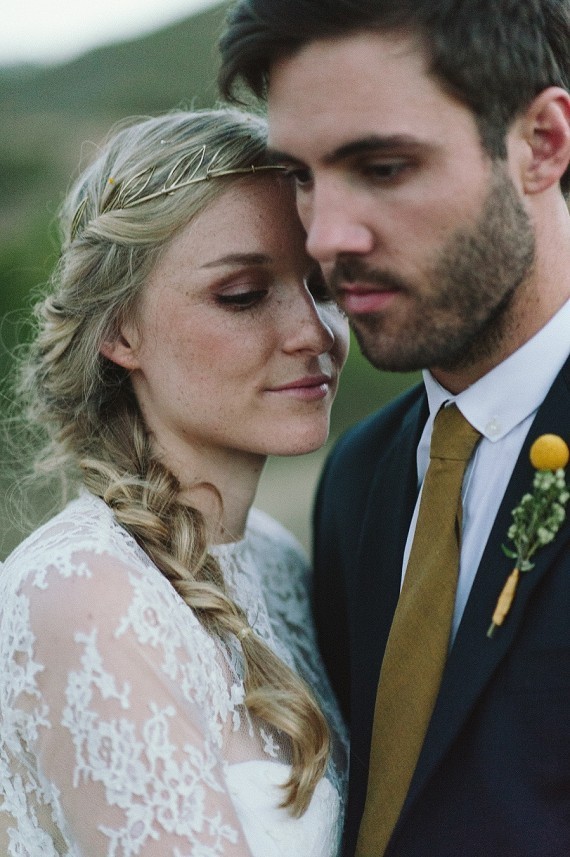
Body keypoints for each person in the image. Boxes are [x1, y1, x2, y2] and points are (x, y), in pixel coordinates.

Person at [218, 2, 570, 855]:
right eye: (299, 176)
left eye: (381, 166)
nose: (327, 238)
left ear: (542, 143)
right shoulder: (357, 476)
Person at [0, 107, 350, 857]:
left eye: (321, 285)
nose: (315, 332)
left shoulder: (277, 560)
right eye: (243, 294)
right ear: (120, 331)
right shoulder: (86, 595)